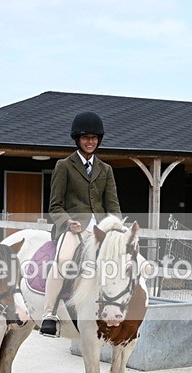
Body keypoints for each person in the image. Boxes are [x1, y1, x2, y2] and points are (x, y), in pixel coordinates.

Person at [40, 111, 121, 337]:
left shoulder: (106, 170)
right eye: (86, 138)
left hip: (101, 230)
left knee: (122, 261)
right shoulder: (64, 166)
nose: (90, 142)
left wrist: (118, 228)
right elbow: (55, 205)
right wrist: (69, 222)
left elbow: (113, 205)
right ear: (77, 139)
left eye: (94, 138)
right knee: (64, 260)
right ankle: (49, 313)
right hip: (74, 229)